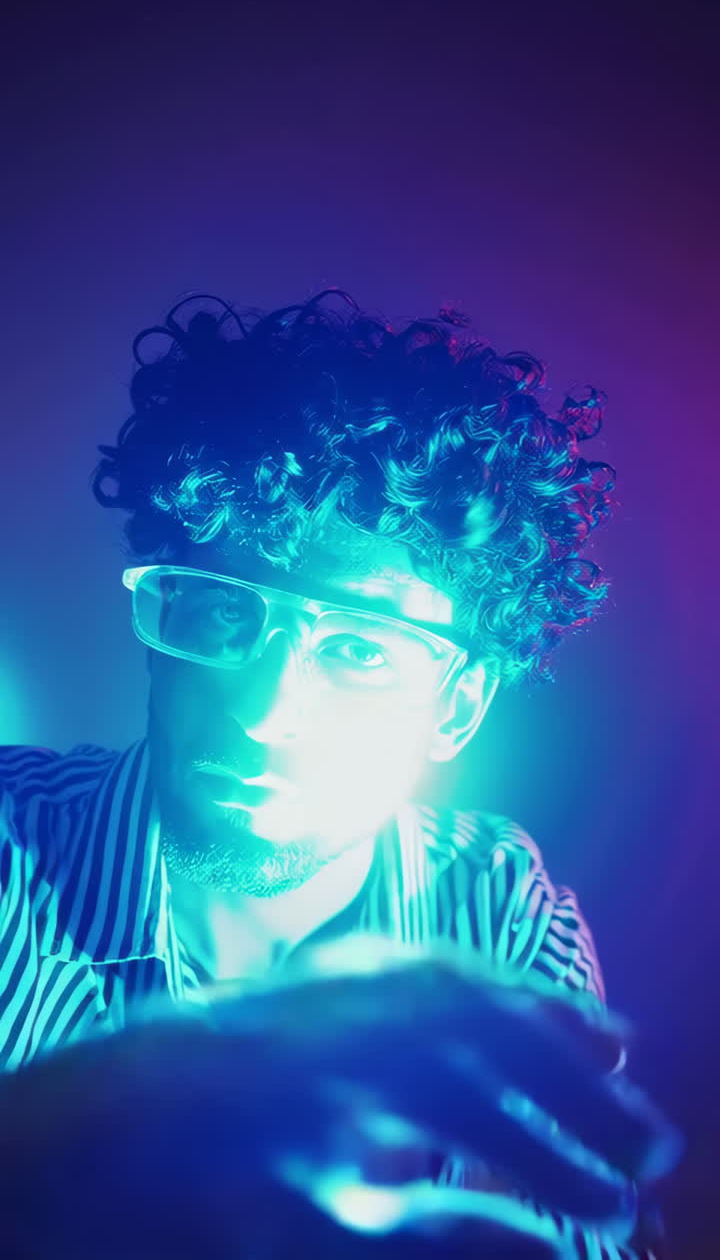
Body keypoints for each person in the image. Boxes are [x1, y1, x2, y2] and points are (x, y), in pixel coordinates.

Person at [0, 292, 680, 1256]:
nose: (265, 711)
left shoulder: (498, 909)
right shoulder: (6, 849)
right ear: (165, 621)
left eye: (362, 651)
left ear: (454, 705)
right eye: (229, 613)